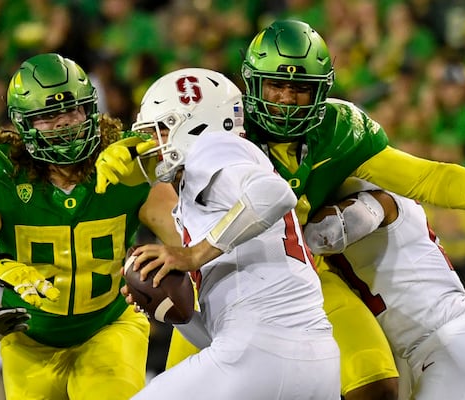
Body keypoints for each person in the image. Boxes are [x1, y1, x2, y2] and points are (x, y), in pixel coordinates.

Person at [154, 19, 465, 400]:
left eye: (300, 89)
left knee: (374, 385)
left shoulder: (339, 132)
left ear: (322, 90)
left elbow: (424, 177)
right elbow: (154, 164)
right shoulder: (223, 131)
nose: (286, 100)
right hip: (218, 285)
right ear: (252, 83)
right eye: (275, 85)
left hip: (302, 284)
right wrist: (118, 165)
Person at [97, 67, 341, 399]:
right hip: (311, 363)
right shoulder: (201, 192)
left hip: (261, 351)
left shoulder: (213, 146)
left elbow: (275, 193)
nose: (151, 144)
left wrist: (194, 254)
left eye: (162, 129)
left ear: (195, 123)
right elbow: (224, 332)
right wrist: (172, 309)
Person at [0, 53, 180, 400]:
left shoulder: (128, 163)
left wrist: (167, 165)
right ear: (23, 125)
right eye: (47, 116)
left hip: (108, 328)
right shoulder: (1, 174)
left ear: (90, 110)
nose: (63, 122)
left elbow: (185, 238)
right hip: (28, 340)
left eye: (71, 110)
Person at [303, 177, 465, 399]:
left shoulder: (380, 200)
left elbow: (324, 233)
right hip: (443, 350)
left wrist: (291, 218)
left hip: (456, 346)